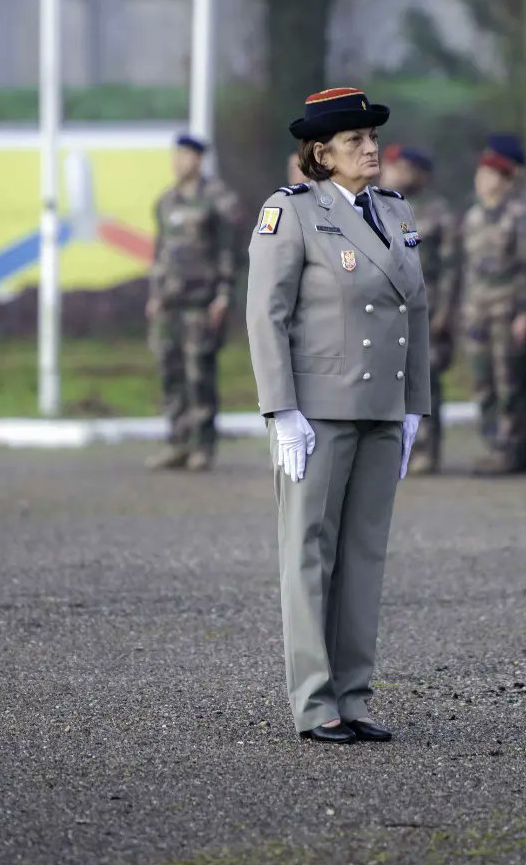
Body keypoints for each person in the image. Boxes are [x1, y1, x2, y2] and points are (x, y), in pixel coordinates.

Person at [245, 87, 431, 744]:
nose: (371, 149)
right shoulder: (290, 213)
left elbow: (417, 312)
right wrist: (281, 409)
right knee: (309, 554)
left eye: (373, 138)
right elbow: (265, 315)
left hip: (381, 408)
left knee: (364, 555)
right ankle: (316, 701)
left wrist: (415, 409)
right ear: (321, 153)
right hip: (318, 413)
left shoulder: (395, 210)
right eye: (355, 141)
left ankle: (354, 696)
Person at [145, 133, 241, 472]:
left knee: (199, 374)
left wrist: (224, 295)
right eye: (175, 155)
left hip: (201, 303)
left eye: (184, 156)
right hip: (170, 303)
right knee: (169, 373)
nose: (178, 162)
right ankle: (177, 441)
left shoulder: (218, 200)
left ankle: (203, 445)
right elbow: (159, 253)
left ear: (198, 160)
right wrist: (155, 296)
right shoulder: (166, 202)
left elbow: (229, 252)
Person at [460, 138, 526, 475]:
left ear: (504, 178)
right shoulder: (473, 218)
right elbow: (468, 268)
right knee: (484, 384)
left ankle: (516, 451)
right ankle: (494, 446)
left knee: (512, 383)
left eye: (490, 173)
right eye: (481, 173)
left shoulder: (519, 216)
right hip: (478, 311)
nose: (482, 179)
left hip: (508, 311)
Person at [379, 143, 460, 475]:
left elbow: (452, 266)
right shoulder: (379, 208)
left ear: (417, 173)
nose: (391, 171)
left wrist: (446, 312)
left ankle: (427, 449)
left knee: (422, 382)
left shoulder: (436, 213)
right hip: (386, 309)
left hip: (424, 308)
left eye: (398, 166)